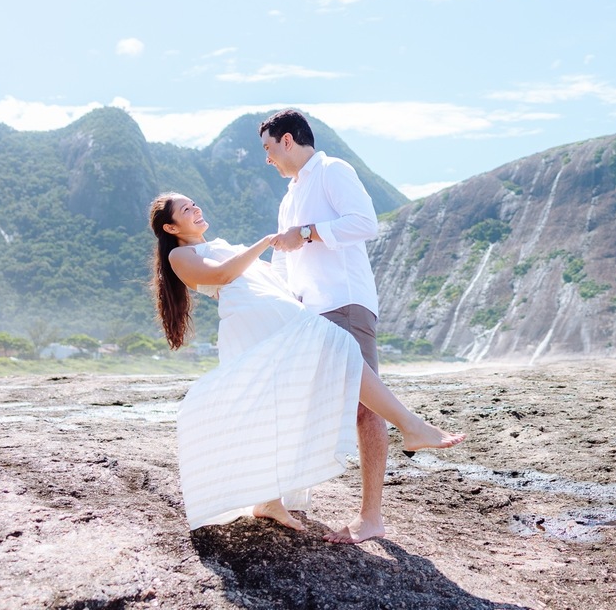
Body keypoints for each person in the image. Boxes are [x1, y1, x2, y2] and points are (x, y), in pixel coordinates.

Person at [149, 192, 464, 534]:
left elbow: (262, 276)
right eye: (185, 209)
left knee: (281, 404)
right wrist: (265, 242)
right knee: (339, 351)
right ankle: (410, 426)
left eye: (194, 203)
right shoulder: (181, 255)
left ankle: (269, 499)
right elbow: (223, 276)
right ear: (171, 226)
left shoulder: (219, 243)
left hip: (276, 317)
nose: (195, 208)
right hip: (256, 323)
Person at [259, 109, 390, 544]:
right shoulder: (288, 197)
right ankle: (284, 496)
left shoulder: (332, 170)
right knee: (300, 399)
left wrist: (309, 232)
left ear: (289, 141)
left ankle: (371, 517)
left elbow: (365, 224)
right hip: (308, 311)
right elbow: (284, 253)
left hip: (345, 302)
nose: (268, 159)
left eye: (269, 148)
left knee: (363, 407)